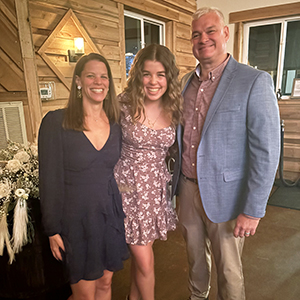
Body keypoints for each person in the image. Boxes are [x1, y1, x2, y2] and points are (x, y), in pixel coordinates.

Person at [171, 7, 281, 300]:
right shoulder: (184, 84)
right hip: (188, 190)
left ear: (226, 33)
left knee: (229, 271)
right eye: (196, 34)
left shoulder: (254, 81)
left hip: (228, 197)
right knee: (194, 263)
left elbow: (267, 151)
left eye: (210, 31)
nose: (203, 39)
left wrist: (254, 209)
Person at [38, 53, 129, 300]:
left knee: (106, 283)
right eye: (91, 76)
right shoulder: (56, 122)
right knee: (84, 292)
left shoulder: (116, 122)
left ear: (109, 83)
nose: (98, 82)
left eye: (103, 76)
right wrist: (52, 228)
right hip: (75, 218)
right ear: (78, 81)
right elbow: (49, 179)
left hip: (108, 213)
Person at [114, 44, 182, 300]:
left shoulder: (174, 106)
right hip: (128, 189)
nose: (153, 81)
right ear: (137, 75)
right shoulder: (122, 104)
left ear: (169, 77)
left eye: (161, 74)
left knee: (140, 261)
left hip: (155, 190)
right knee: (145, 262)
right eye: (147, 73)